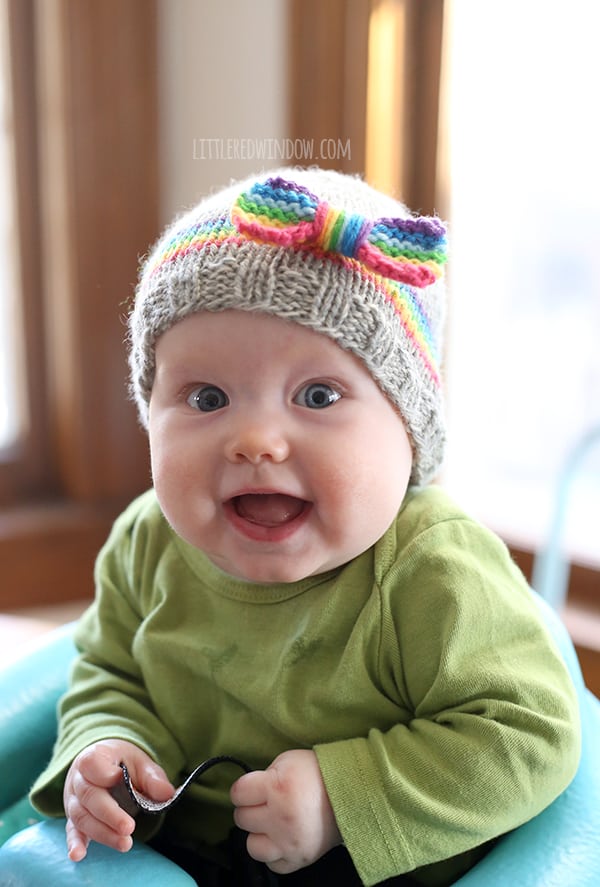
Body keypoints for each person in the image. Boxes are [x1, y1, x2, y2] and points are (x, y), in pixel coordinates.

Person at [30, 168, 580, 886]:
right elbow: (109, 669)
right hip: (192, 853)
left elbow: (529, 734)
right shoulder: (146, 541)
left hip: (379, 868)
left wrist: (340, 801)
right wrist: (109, 744)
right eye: (207, 396)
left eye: (317, 395)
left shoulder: (432, 569)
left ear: (408, 429)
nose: (256, 439)